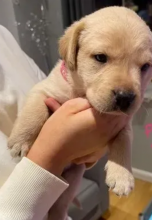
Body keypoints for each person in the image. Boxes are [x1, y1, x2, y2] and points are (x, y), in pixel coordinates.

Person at [0, 25, 127, 220]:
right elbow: (43, 94)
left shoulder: (4, 35)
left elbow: (42, 89)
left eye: (143, 67)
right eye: (101, 57)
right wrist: (56, 148)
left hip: (68, 176)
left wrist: (93, 146)